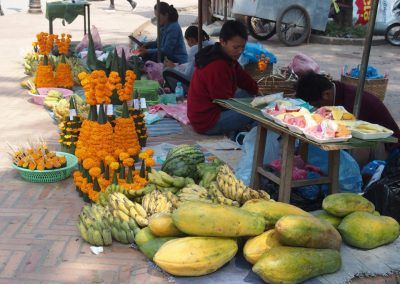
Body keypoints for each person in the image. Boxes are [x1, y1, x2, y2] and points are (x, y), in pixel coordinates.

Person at [295, 71, 400, 163]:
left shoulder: (353, 103)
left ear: (326, 94)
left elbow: (351, 134)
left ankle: (352, 180)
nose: (318, 108)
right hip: (369, 139)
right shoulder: (333, 90)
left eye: (318, 104)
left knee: (354, 146)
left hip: (385, 145)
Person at [187, 20, 258, 136]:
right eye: (236, 47)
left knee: (251, 95)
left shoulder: (226, 56)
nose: (240, 51)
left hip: (216, 107)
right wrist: (252, 107)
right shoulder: (217, 65)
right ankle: (247, 138)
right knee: (257, 112)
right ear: (222, 42)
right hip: (206, 122)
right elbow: (224, 102)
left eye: (242, 47)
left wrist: (257, 92)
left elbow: (243, 78)